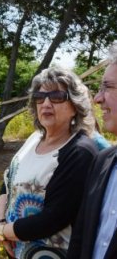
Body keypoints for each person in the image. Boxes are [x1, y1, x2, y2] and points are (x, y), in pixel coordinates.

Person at [0, 66, 99, 258]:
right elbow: (8, 182)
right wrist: (0, 220)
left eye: (56, 97)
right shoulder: (35, 138)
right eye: (40, 97)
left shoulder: (79, 152)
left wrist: (1, 231)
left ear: (74, 106)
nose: (46, 103)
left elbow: (54, 218)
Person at [67, 42, 117, 259]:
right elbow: (80, 238)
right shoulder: (103, 161)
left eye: (108, 87)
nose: (97, 99)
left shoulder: (87, 151)